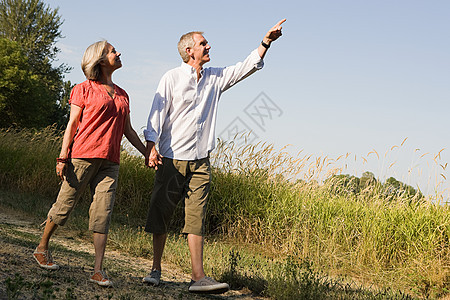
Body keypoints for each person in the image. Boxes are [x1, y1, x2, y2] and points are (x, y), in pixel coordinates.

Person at [143, 19, 286, 294]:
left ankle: (198, 277)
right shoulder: (171, 78)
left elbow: (245, 67)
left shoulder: (215, 78)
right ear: (189, 51)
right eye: (203, 44)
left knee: (196, 218)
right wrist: (151, 146)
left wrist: (265, 42)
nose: (209, 47)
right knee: (161, 214)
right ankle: (156, 269)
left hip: (201, 162)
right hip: (172, 159)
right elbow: (156, 115)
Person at [32, 40, 147, 287]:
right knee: (65, 204)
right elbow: (72, 125)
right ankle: (42, 247)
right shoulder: (83, 89)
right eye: (113, 51)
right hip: (82, 156)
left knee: (103, 212)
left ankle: (97, 269)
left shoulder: (123, 95)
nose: (119, 53)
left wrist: (147, 152)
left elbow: (128, 130)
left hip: (110, 161)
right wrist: (63, 157)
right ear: (100, 59)